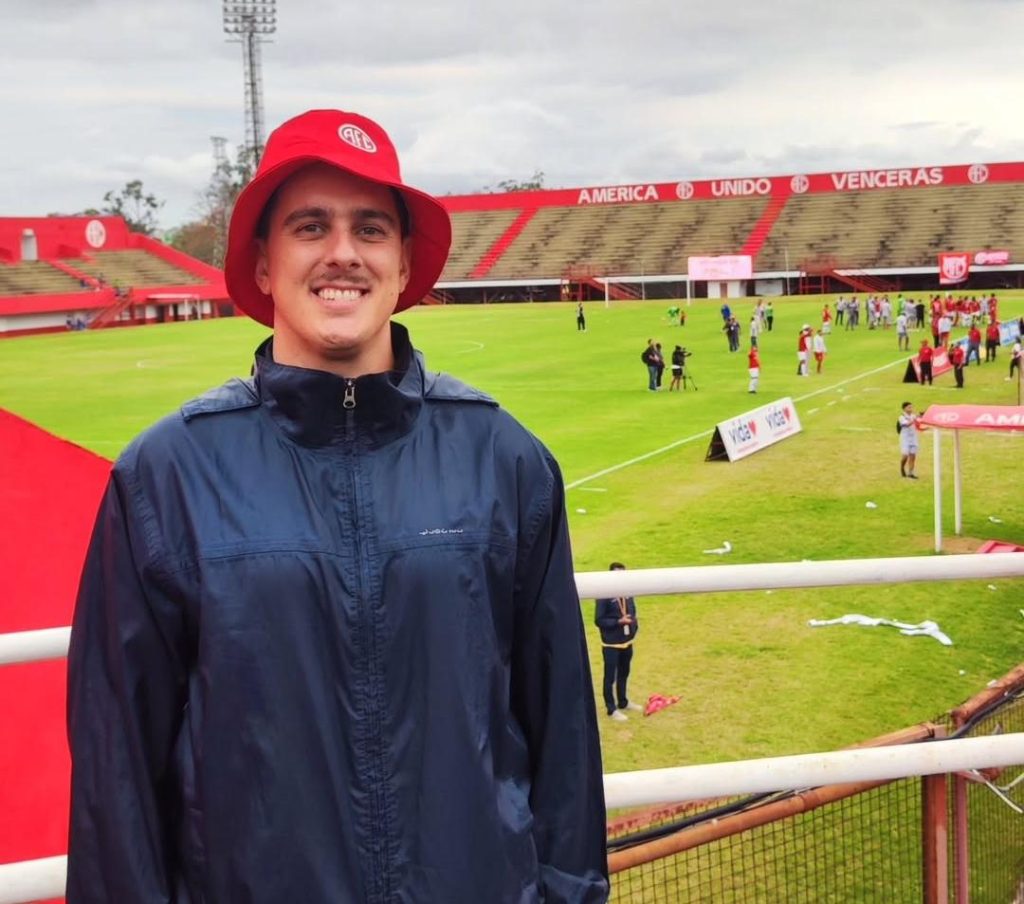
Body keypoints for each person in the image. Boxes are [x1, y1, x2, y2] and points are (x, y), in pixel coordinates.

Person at [66, 109, 609, 903]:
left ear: (402, 264)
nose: (343, 253)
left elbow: (562, 731)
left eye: (371, 229)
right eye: (310, 226)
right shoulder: (166, 477)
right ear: (262, 264)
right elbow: (117, 772)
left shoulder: (504, 460)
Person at [594, 562, 641, 722]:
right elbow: (599, 620)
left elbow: (632, 610)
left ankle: (623, 701)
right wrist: (618, 622)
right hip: (611, 643)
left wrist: (633, 625)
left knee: (624, 672)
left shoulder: (627, 591)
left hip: (627, 641)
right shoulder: (604, 594)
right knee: (610, 677)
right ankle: (611, 708)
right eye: (617, 574)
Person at [898, 401, 922, 478]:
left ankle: (910, 473)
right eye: (909, 407)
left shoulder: (913, 416)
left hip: (914, 438)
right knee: (905, 455)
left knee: (913, 456)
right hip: (905, 438)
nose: (911, 408)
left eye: (911, 407)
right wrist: (915, 418)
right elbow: (907, 424)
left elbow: (918, 424)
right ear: (904, 408)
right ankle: (902, 467)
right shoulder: (901, 417)